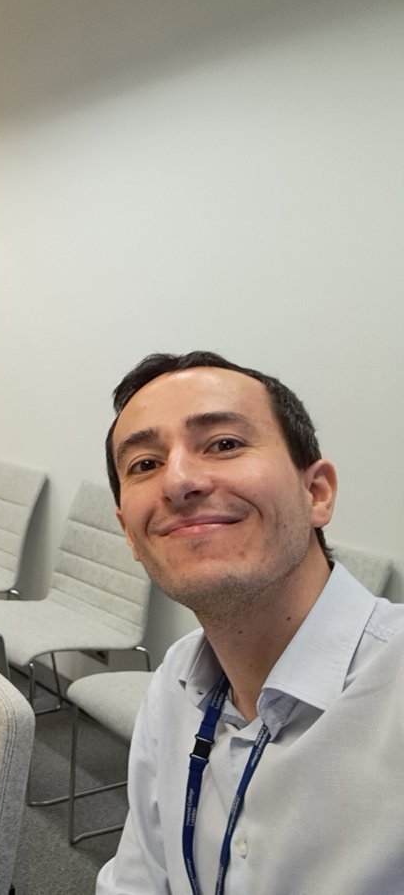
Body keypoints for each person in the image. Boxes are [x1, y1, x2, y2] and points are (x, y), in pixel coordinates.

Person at [97, 351, 404, 895]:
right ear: (129, 533)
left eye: (224, 444)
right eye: (145, 464)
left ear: (317, 492)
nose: (180, 481)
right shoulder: (175, 682)